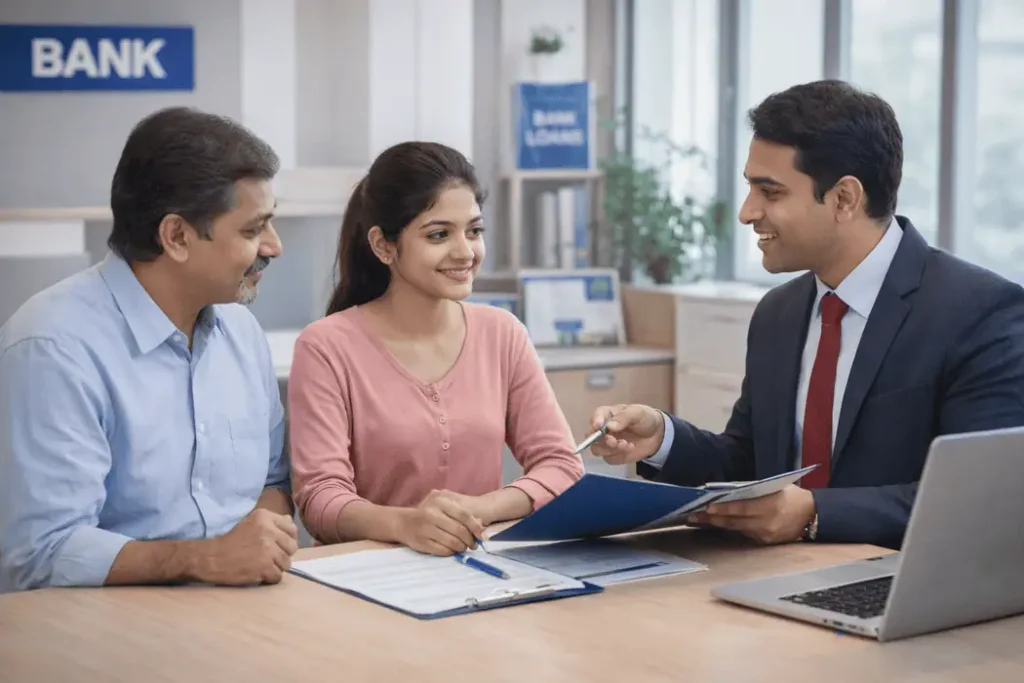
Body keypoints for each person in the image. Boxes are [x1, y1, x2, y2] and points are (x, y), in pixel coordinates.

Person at [588, 80, 1024, 550]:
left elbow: (979, 502)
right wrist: (664, 437)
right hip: (778, 583)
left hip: (908, 593)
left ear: (844, 199)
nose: (746, 212)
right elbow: (751, 464)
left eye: (770, 192)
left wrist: (814, 514)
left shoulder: (981, 314)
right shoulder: (779, 313)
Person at [0, 107, 299, 592]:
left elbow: (273, 483)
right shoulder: (52, 347)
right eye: (252, 230)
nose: (274, 246)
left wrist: (258, 548)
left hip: (244, 616)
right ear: (177, 236)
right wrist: (203, 560)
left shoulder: (241, 332)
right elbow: (40, 554)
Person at [287, 141, 583, 556]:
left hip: (480, 570)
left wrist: (477, 509)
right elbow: (319, 500)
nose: (465, 252)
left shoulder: (503, 334)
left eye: (474, 231)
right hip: (364, 580)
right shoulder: (325, 347)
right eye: (439, 234)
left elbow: (563, 466)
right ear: (383, 245)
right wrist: (405, 524)